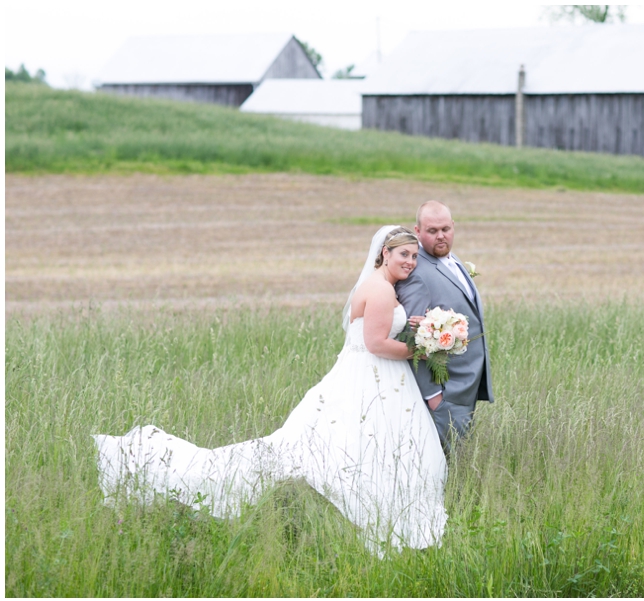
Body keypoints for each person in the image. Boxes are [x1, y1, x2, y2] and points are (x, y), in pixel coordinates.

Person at [92, 226, 447, 556]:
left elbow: (375, 328)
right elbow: (376, 344)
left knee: (360, 442)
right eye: (404, 255)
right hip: (374, 373)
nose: (410, 262)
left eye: (414, 257)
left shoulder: (374, 285)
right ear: (385, 252)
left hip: (366, 375)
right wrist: (419, 349)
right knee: (352, 444)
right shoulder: (383, 289)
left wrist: (414, 326)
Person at [395, 201, 494, 452]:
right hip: (445, 392)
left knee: (459, 463)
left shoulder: (453, 259)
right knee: (445, 467)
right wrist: (433, 397)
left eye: (445, 229)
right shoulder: (416, 273)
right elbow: (411, 338)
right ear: (417, 232)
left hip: (466, 387)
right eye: (432, 231)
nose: (441, 236)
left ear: (453, 227)